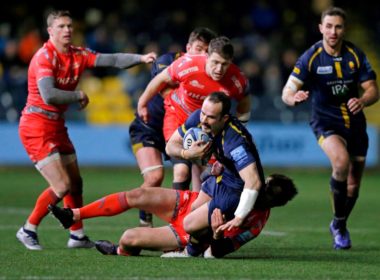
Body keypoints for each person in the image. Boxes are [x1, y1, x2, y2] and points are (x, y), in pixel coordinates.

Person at [16, 10, 156, 251]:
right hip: (36, 126)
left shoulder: (78, 54)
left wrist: (141, 58)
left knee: (76, 183)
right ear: (50, 31)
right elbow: (49, 95)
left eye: (69, 25)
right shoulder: (44, 57)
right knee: (61, 186)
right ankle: (28, 229)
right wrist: (78, 95)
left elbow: (111, 60)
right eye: (61, 26)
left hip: (57, 125)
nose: (67, 30)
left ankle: (77, 236)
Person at [281, 7, 379, 250]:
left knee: (354, 184)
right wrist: (294, 98)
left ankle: (339, 224)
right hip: (325, 121)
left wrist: (363, 100)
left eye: (338, 27)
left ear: (343, 29)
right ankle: (339, 224)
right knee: (341, 162)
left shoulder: (355, 55)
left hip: (355, 124)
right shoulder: (310, 57)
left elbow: (373, 89)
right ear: (320, 28)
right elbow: (287, 91)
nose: (333, 32)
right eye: (329, 26)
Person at [48, 173, 297, 257]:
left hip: (186, 234)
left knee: (128, 237)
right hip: (187, 203)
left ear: (271, 202)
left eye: (264, 188)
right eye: (263, 181)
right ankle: (74, 215)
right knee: (137, 195)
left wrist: (218, 235)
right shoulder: (247, 179)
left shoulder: (255, 224)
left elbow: (222, 250)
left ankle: (120, 251)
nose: (259, 185)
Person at [137, 36, 251, 195]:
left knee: (213, 174)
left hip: (208, 125)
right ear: (207, 56)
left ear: (231, 61)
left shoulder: (237, 80)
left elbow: (244, 103)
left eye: (224, 64)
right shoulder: (188, 64)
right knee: (182, 171)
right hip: (177, 115)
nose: (219, 69)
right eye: (215, 62)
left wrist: (240, 129)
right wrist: (142, 103)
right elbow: (161, 78)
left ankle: (201, 211)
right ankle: (177, 217)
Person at [129, 27, 217, 227]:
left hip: (179, 129)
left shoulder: (209, 72)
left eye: (206, 51)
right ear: (187, 47)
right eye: (198, 48)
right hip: (149, 127)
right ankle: (145, 217)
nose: (202, 54)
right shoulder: (168, 61)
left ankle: (181, 222)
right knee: (154, 177)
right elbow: (168, 94)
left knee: (185, 175)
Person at [163, 91, 264, 257]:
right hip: (223, 176)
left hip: (236, 190)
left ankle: (194, 251)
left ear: (224, 119)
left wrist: (239, 216)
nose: (203, 120)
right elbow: (170, 146)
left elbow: (253, 181)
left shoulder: (234, 140)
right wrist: (186, 154)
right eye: (203, 113)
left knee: (189, 224)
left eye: (210, 117)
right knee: (192, 210)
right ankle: (199, 249)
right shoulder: (199, 118)